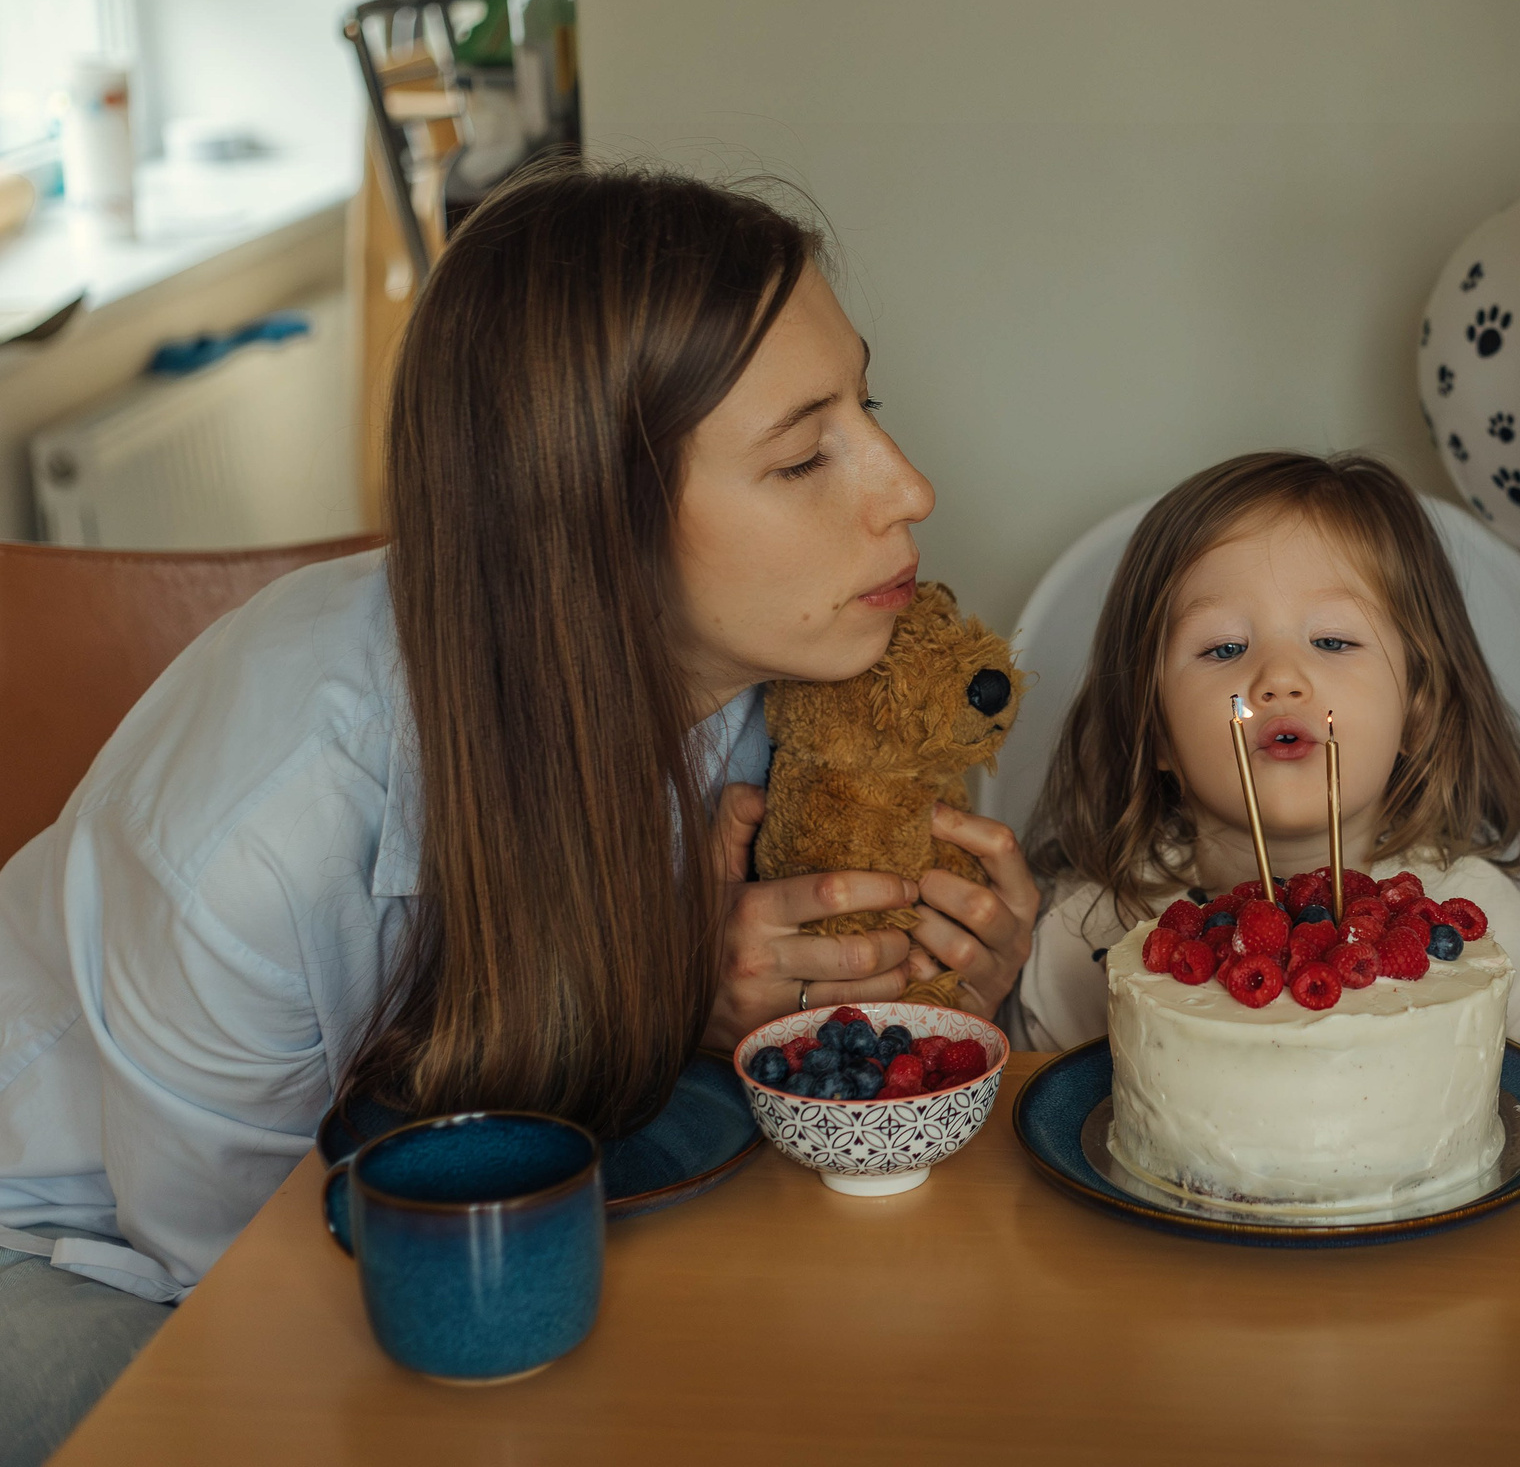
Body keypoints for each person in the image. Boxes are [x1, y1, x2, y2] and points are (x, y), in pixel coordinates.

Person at [0, 162, 1042, 1463]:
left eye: (866, 407)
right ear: (589, 515)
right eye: (800, 456)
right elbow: (264, 1281)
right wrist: (670, 1002)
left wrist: (936, 994)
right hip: (90, 1256)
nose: (909, 486)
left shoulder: (801, 681)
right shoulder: (258, 836)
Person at [1015, 451, 1520, 1063]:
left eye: (1332, 641)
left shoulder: (1493, 931)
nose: (1281, 679)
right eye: (1225, 647)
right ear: (1153, 728)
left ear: (1418, 709)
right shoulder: (1085, 940)